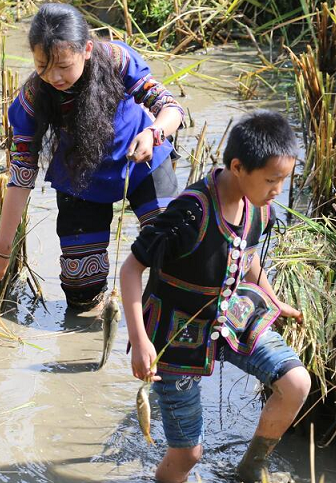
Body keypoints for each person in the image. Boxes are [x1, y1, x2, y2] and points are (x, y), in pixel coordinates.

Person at [120, 110, 311, 483]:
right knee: (188, 454)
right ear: (238, 167)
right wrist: (140, 341)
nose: (277, 191)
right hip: (176, 334)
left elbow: (248, 254)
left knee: (296, 383)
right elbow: (130, 269)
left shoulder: (259, 207)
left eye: (282, 181)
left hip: (231, 316)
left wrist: (272, 299)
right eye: (272, 181)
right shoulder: (189, 214)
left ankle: (251, 467)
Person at [0, 3, 184, 310]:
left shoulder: (118, 60)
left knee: (172, 250)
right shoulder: (31, 101)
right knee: (80, 288)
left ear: (87, 49)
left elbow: (171, 109)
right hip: (80, 174)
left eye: (63, 66)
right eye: (42, 67)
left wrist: (154, 134)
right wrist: (1, 251)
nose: (54, 77)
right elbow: (21, 178)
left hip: (142, 160)